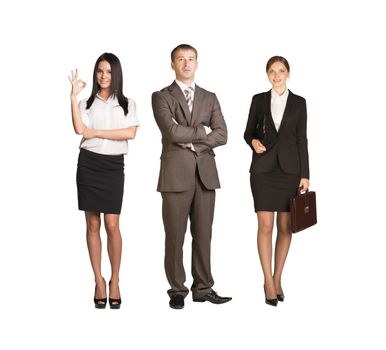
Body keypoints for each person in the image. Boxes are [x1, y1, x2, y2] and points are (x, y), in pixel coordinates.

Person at [152, 44, 232, 309]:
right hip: (175, 175)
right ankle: (177, 289)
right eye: (181, 59)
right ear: (172, 64)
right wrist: (202, 130)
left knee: (203, 234)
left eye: (191, 59)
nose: (186, 63)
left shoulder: (210, 97)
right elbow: (171, 133)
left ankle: (203, 288)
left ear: (197, 63)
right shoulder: (161, 96)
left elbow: (222, 134)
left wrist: (195, 142)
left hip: (205, 175)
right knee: (175, 236)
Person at [69, 53, 139, 309]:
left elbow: (129, 133)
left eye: (108, 72)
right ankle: (98, 280)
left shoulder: (128, 103)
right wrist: (73, 97)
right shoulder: (86, 104)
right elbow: (79, 130)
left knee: (112, 225)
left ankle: (115, 280)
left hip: (112, 166)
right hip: (88, 164)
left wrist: (96, 131)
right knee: (92, 225)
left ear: (116, 74)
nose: (103, 76)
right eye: (100, 71)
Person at [244, 56, 310, 306]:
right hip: (262, 170)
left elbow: (302, 138)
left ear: (288, 73)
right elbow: (247, 131)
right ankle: (267, 282)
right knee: (265, 226)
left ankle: (277, 277)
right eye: (272, 71)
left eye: (281, 71)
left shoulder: (299, 103)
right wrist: (253, 142)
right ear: (267, 74)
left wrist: (305, 174)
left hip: (290, 172)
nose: (276, 75)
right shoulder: (258, 100)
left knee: (285, 227)